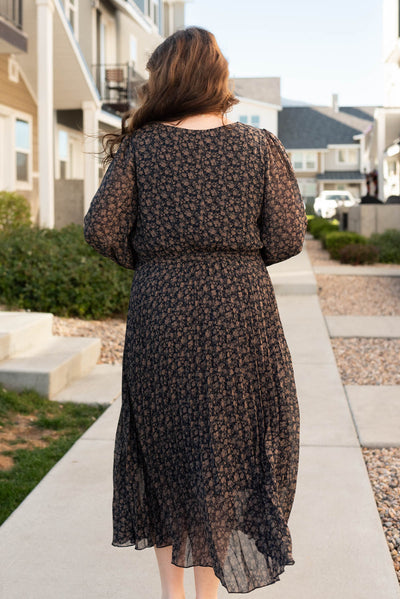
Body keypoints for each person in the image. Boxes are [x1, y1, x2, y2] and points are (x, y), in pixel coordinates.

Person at [83, 26, 307, 599]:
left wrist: (156, 260)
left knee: (164, 449)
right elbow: (286, 237)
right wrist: (233, 253)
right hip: (241, 309)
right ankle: (209, 595)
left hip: (163, 309)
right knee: (228, 451)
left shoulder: (142, 146)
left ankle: (173, 594)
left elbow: (101, 228)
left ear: (165, 79)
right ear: (217, 77)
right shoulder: (258, 146)